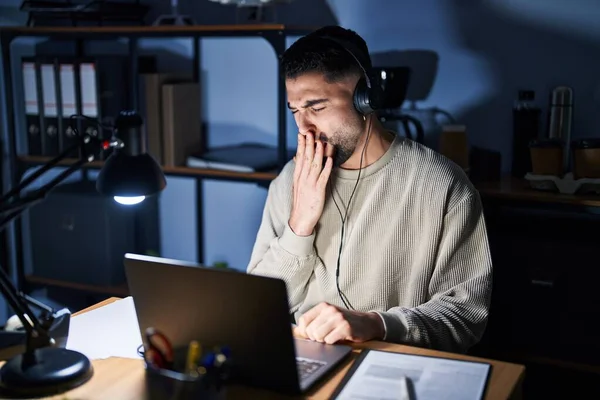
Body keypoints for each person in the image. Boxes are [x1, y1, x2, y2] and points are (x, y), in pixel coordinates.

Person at [246, 25, 493, 354]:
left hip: (389, 361)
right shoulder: (290, 179)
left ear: (366, 99)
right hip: (305, 359)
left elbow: (465, 318)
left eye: (317, 108)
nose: (303, 129)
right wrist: (299, 225)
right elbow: (258, 305)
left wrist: (377, 324)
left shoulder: (443, 185)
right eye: (295, 111)